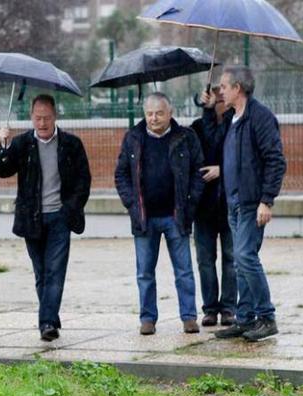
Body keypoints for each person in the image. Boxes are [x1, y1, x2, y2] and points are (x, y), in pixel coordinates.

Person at [0, 94, 92, 341]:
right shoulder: (22, 143)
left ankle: (46, 322)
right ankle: (51, 316)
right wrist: (4, 145)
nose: (42, 123)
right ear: (31, 117)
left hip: (60, 217)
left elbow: (84, 181)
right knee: (41, 272)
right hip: (32, 218)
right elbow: (3, 170)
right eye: (37, 118)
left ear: (55, 116)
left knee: (55, 271)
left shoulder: (71, 144)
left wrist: (69, 208)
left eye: (46, 118)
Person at [115, 92, 205, 336]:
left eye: (159, 113)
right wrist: (131, 203)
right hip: (144, 218)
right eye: (149, 113)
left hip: (176, 215)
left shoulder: (186, 137)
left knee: (184, 270)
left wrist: (191, 202)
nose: (153, 118)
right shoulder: (133, 138)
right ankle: (147, 319)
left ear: (170, 113)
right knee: (145, 272)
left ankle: (188, 317)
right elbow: (121, 174)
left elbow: (198, 172)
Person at [211, 66, 287, 342]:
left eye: (223, 86)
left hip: (252, 202)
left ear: (237, 88)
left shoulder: (260, 117)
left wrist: (267, 200)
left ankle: (267, 316)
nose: (220, 91)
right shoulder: (232, 119)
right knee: (239, 262)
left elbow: (276, 161)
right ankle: (244, 319)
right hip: (233, 202)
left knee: (245, 256)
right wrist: (210, 110)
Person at [190, 86, 237, 328]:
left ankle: (228, 307)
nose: (219, 101)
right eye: (214, 97)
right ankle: (210, 308)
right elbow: (204, 147)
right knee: (205, 259)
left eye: (222, 97)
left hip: (229, 203)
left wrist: (222, 170)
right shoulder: (197, 127)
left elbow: (235, 156)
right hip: (204, 205)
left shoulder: (236, 125)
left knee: (231, 258)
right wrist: (206, 113)